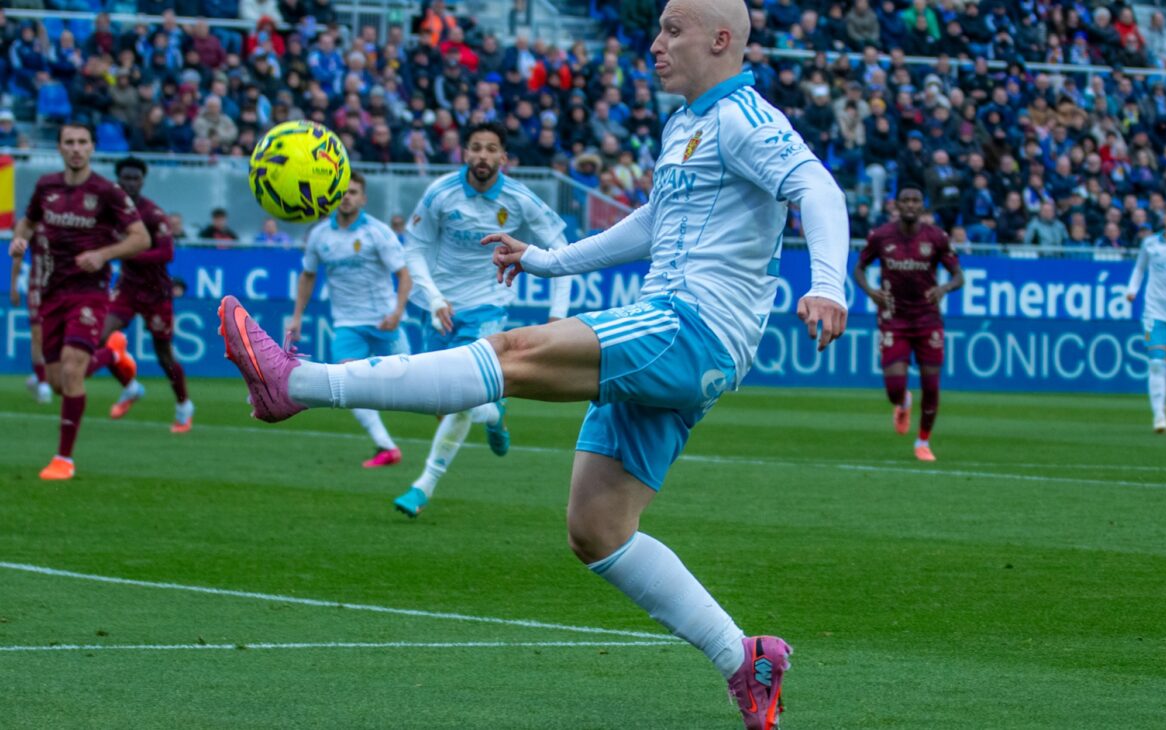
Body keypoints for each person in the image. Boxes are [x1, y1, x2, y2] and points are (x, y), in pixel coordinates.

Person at [218, 1, 848, 727]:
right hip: (678, 325)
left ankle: (295, 383)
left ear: (721, 39)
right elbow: (653, 223)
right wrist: (547, 260)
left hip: (695, 324)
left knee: (513, 354)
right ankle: (746, 660)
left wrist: (827, 284)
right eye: (658, 28)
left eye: (673, 30)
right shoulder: (685, 124)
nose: (656, 43)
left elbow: (817, 188)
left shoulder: (744, 117)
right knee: (597, 528)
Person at [391, 121, 571, 517]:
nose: (483, 156)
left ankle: (423, 486)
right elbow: (414, 249)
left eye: (491, 149)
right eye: (476, 147)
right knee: (441, 401)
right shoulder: (440, 193)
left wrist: (557, 314)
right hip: (442, 308)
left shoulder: (520, 199)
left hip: (489, 306)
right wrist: (434, 298)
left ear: (503, 157)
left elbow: (561, 251)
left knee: (462, 395)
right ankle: (493, 412)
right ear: (464, 153)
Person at [7, 123, 149, 480]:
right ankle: (112, 354)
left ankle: (63, 459)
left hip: (89, 291)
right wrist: (19, 242)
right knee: (58, 382)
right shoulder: (46, 186)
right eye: (69, 142)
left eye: (82, 142)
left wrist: (103, 255)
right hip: (51, 290)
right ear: (59, 148)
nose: (75, 148)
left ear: (92, 148)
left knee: (72, 370)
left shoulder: (107, 192)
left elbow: (141, 238)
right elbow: (26, 225)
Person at [288, 171, 414, 467]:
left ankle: (481, 413)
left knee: (413, 386)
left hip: (384, 321)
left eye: (353, 192)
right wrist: (297, 317)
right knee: (346, 385)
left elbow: (404, 274)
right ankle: (386, 446)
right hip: (347, 324)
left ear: (363, 199)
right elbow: (308, 275)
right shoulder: (320, 234)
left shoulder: (378, 232)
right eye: (342, 192)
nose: (347, 197)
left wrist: (397, 312)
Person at [853, 184, 964, 462]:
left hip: (927, 318)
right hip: (894, 317)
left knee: (931, 385)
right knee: (894, 388)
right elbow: (859, 268)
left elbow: (959, 275)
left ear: (922, 206)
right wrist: (870, 292)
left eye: (916, 200)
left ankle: (922, 441)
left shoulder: (936, 237)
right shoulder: (881, 236)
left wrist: (944, 288)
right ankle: (902, 402)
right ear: (897, 205)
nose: (911, 204)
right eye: (906, 200)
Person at [88, 156, 194, 432]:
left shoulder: (152, 214)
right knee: (99, 338)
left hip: (156, 292)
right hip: (127, 288)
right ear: (118, 180)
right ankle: (130, 386)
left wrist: (129, 252)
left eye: (136, 178)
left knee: (164, 355)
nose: (131, 183)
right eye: (126, 177)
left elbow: (167, 253)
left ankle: (184, 405)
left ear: (143, 181)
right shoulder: (111, 211)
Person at [1126, 204, 1166, 433]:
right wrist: (1131, 289)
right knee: (1156, 362)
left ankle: (1162, 400)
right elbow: (1139, 268)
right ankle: (1159, 415)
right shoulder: (1150, 243)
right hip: (1155, 312)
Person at [9, 225, 53, 404]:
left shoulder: (67, 218)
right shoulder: (32, 222)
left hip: (63, 286)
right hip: (38, 287)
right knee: (37, 334)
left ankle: (40, 375)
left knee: (57, 336)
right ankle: (43, 383)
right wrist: (13, 286)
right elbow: (18, 255)